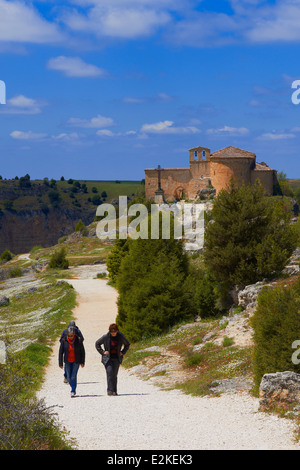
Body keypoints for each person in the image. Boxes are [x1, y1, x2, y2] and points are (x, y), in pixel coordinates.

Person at [95, 323, 130, 396]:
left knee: (114, 374)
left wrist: (122, 352)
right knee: (109, 372)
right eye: (112, 331)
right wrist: (103, 352)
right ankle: (110, 390)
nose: (113, 333)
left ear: (117, 331)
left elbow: (127, 344)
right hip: (108, 359)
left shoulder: (120, 336)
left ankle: (114, 391)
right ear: (109, 331)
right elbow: (97, 343)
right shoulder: (106, 337)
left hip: (117, 358)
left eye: (115, 331)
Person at [59, 326, 85, 397]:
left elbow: (82, 351)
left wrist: (82, 362)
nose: (70, 337)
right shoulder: (64, 341)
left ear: (74, 335)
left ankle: (73, 391)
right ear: (67, 335)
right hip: (67, 362)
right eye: (69, 336)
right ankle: (72, 386)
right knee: (68, 377)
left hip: (76, 362)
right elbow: (61, 352)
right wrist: (60, 363)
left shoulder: (78, 340)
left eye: (72, 335)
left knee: (73, 376)